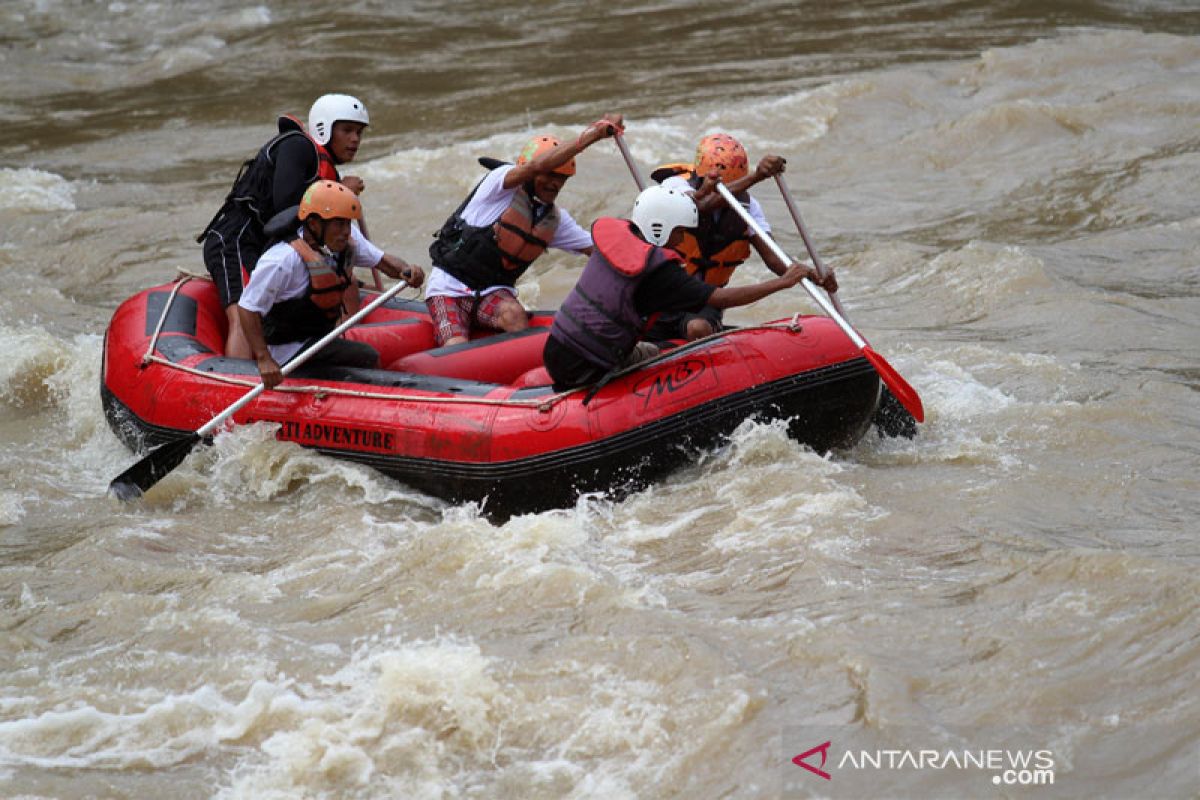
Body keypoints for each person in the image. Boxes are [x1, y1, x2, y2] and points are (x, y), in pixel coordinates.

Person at [543, 185, 820, 391]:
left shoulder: (615, 238)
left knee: (650, 348)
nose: (680, 241)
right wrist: (782, 282)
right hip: (590, 365)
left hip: (556, 349)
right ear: (659, 227)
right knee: (657, 357)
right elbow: (720, 297)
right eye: (678, 232)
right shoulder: (660, 271)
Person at [424, 114, 624, 347]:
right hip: (448, 288)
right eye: (550, 174)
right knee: (456, 346)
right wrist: (593, 135)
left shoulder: (555, 220)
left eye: (562, 178)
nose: (555, 184)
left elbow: (599, 250)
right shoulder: (499, 184)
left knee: (514, 315)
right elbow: (538, 164)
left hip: (492, 294)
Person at [199, 93, 372, 358]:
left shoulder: (326, 171)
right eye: (347, 130)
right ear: (325, 128)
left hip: (268, 246)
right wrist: (340, 190)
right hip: (236, 240)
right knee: (243, 315)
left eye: (359, 133)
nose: (355, 140)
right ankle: (240, 382)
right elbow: (286, 204)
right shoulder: (297, 146)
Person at [644, 132, 837, 342]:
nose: (726, 193)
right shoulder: (675, 187)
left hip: (705, 300)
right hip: (664, 292)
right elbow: (699, 207)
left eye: (730, 185)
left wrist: (812, 274)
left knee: (698, 328)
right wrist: (757, 176)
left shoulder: (748, 208)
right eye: (719, 185)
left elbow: (774, 258)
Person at [237, 180, 425, 390]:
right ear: (314, 224)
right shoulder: (281, 260)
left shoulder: (346, 240)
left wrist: (408, 272)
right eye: (339, 224)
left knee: (364, 357)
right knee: (367, 357)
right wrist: (263, 358)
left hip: (319, 340)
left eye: (347, 223)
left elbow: (385, 263)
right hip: (287, 350)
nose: (346, 231)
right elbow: (247, 307)